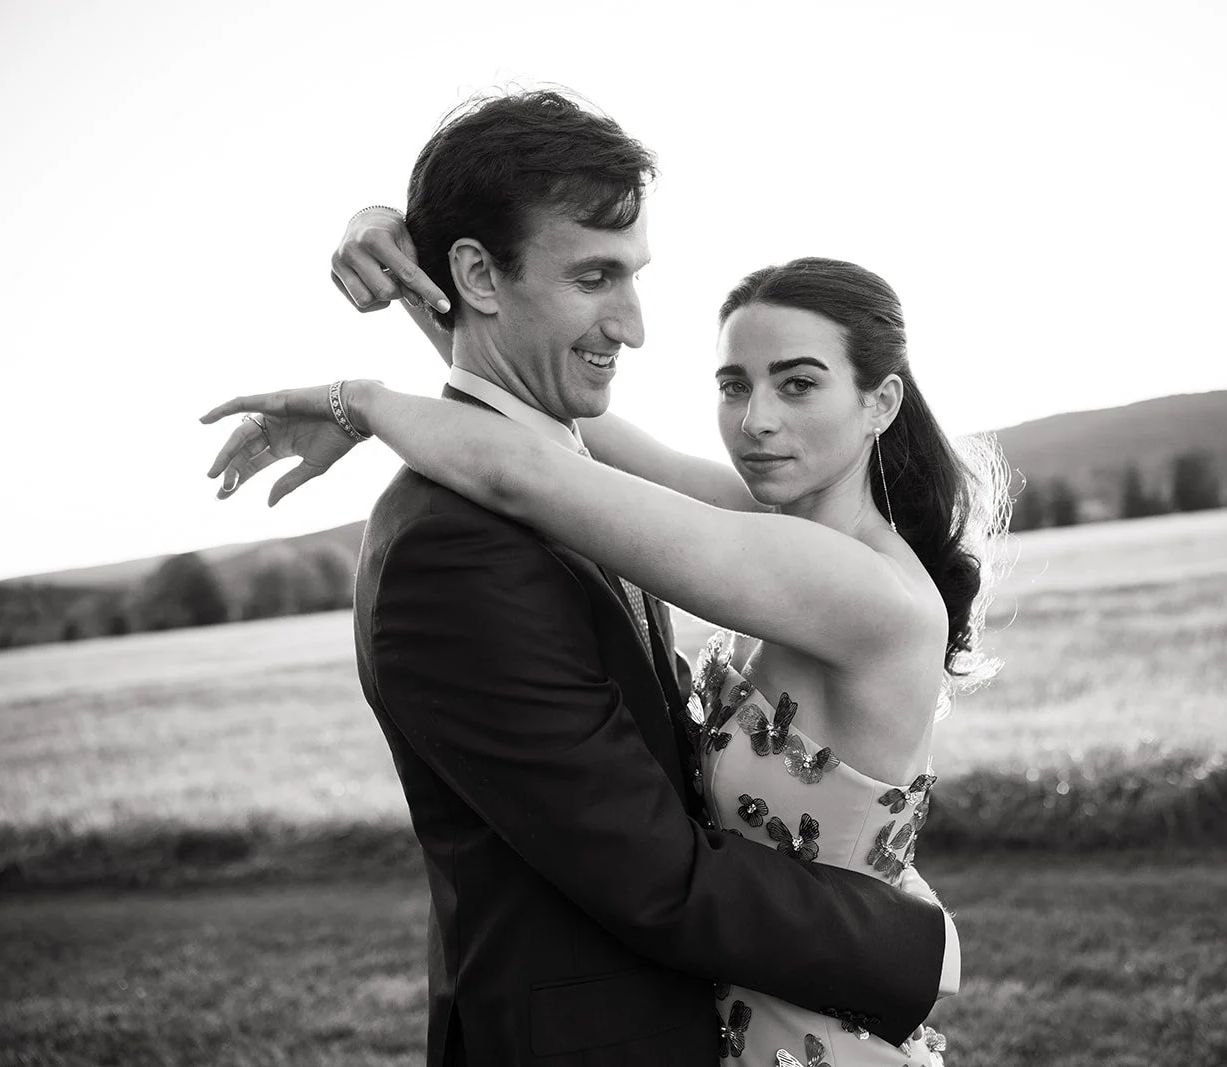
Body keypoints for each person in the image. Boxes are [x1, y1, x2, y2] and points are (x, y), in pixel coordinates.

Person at [204, 89, 976, 1067]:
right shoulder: (479, 544)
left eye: (798, 383)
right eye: (735, 384)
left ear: (881, 401)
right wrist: (417, 269)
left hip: (798, 1026)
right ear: (478, 273)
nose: (757, 420)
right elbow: (539, 432)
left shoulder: (835, 574)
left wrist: (360, 398)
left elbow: (528, 458)